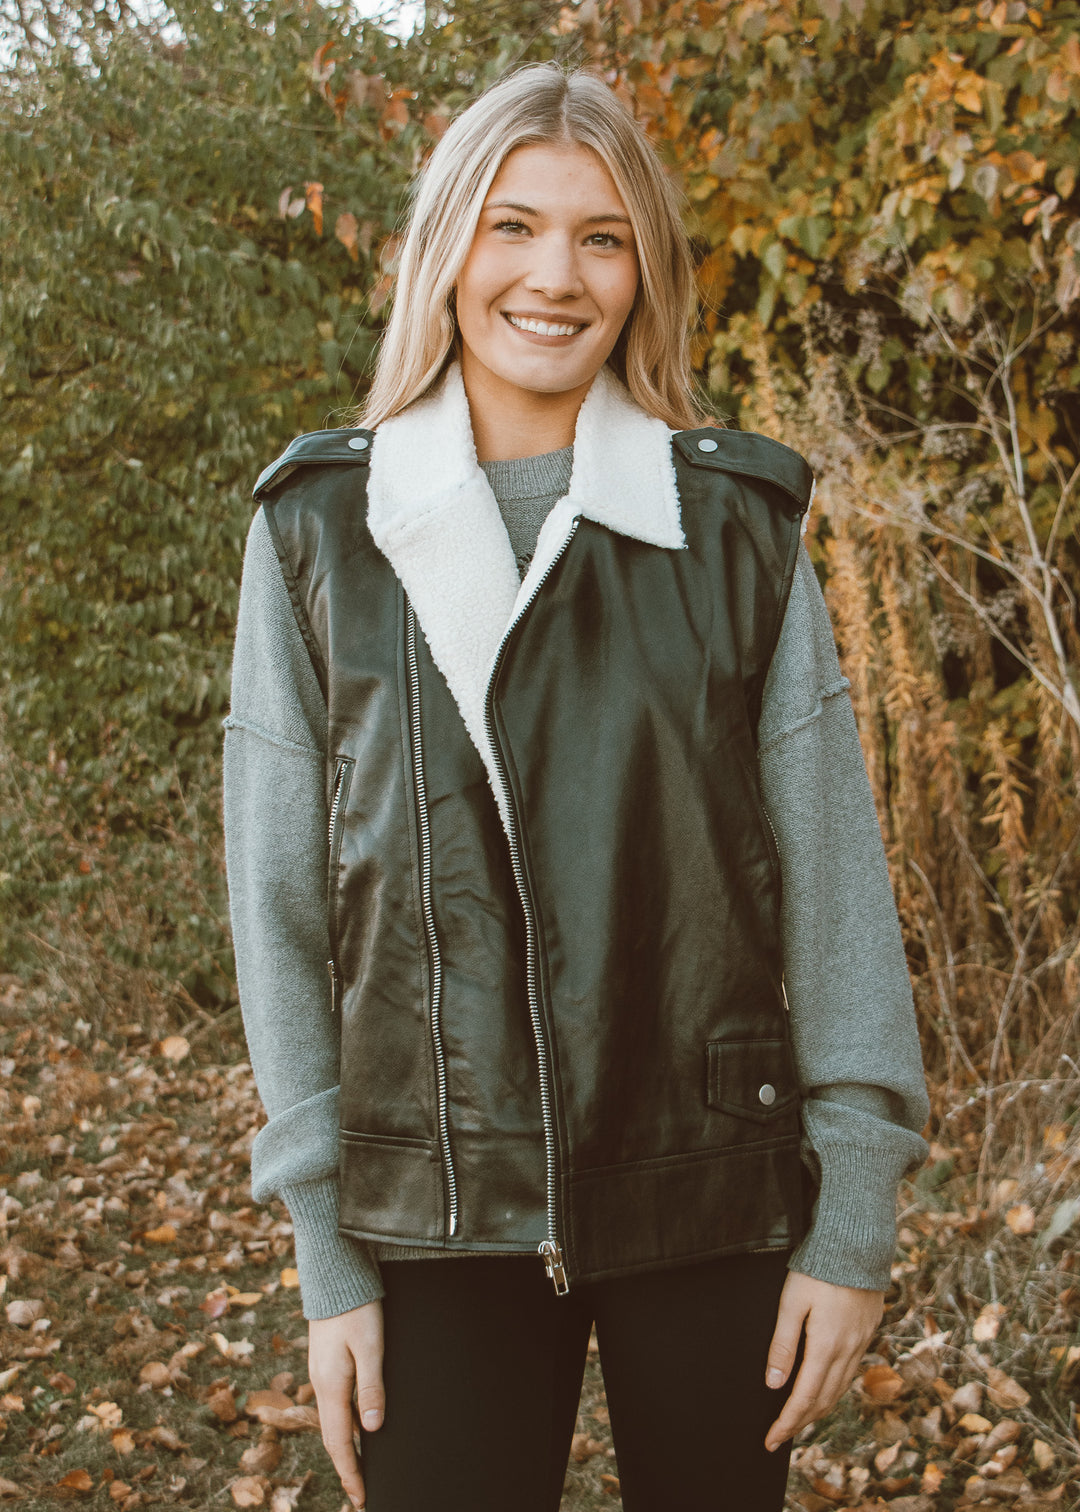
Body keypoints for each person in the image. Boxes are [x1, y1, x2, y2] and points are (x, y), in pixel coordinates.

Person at [223, 62, 929, 1512]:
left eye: (604, 237)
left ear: (645, 271)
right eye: (514, 226)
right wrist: (326, 1253)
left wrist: (852, 1216)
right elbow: (283, 908)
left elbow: (832, 877)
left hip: (710, 1189)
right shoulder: (320, 533)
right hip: (431, 1213)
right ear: (445, 253)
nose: (557, 275)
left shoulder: (736, 525)